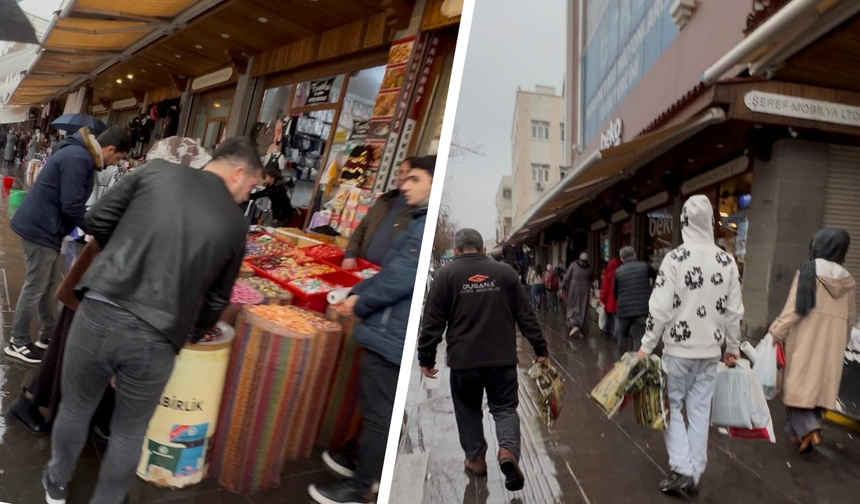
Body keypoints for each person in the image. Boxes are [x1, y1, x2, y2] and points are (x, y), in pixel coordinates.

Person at [43, 137, 260, 504]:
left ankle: (55, 486)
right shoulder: (235, 225)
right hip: (159, 335)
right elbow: (219, 299)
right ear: (238, 172)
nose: (247, 195)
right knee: (130, 431)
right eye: (252, 186)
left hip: (100, 306)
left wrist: (126, 248)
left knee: (76, 408)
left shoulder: (155, 172)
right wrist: (192, 331)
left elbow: (97, 220)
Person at [309, 156, 435, 504]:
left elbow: (398, 279)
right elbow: (392, 272)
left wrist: (359, 303)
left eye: (414, 179)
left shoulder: (422, 226)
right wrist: (356, 292)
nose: (405, 185)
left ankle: (361, 487)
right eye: (404, 177)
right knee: (378, 409)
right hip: (393, 329)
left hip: (393, 334)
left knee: (380, 414)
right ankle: (364, 465)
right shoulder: (414, 218)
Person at [417, 228, 548, 491]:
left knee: (468, 410)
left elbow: (432, 321)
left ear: (455, 250)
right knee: (504, 408)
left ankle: (476, 459)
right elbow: (526, 315)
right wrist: (539, 347)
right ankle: (508, 452)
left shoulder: (445, 276)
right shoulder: (506, 273)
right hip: (501, 359)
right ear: (483, 249)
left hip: (464, 361)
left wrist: (426, 356)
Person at [637, 195, 744, 496]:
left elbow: (659, 309)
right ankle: (694, 471)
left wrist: (647, 345)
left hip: (678, 351)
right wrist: (732, 348)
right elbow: (734, 311)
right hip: (710, 352)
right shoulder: (727, 260)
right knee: (699, 412)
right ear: (710, 222)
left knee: (671, 408)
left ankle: (682, 468)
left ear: (684, 222)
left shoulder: (675, 259)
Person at [6, 127, 130, 364]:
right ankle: (17, 342)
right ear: (111, 149)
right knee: (35, 286)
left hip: (45, 227)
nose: (115, 163)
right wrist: (98, 230)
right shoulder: (79, 158)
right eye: (117, 158)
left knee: (48, 283)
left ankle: (48, 336)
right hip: (40, 228)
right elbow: (71, 206)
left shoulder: (79, 154)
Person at [769, 228, 855, 454]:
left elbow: (794, 309)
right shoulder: (847, 279)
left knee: (796, 391)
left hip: (807, 340)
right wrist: (843, 341)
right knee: (817, 392)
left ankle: (810, 431)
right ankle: (800, 436)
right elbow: (850, 317)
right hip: (833, 343)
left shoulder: (808, 271)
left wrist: (776, 331)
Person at [341, 158, 414, 269]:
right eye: (400, 172)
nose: (403, 177)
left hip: (388, 275)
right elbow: (362, 228)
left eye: (408, 173)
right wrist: (350, 254)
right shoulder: (384, 200)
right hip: (362, 267)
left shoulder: (418, 211)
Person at [613, 246, 657, 359]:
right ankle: (636, 365)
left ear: (621, 259)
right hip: (641, 310)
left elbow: (615, 293)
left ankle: (620, 363)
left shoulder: (618, 271)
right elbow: (659, 275)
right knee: (638, 338)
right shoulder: (644, 266)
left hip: (624, 311)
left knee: (622, 336)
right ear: (635, 255)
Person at [562, 252, 591, 337]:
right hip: (585, 288)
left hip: (574, 288)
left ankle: (574, 324)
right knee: (583, 307)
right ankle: (582, 327)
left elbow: (567, 277)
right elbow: (592, 278)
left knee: (573, 305)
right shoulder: (589, 267)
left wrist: (562, 287)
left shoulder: (574, 265)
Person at [599, 256, 622, 336]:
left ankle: (607, 329)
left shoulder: (608, 274)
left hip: (609, 300)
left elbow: (604, 288)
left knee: (608, 316)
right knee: (617, 317)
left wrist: (601, 299)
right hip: (619, 299)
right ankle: (616, 334)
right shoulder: (621, 273)